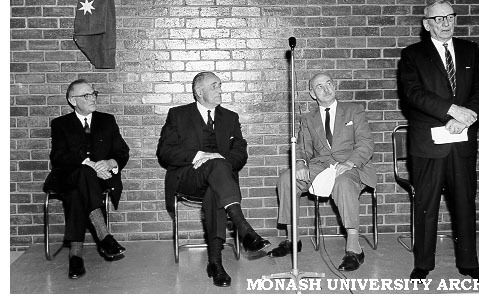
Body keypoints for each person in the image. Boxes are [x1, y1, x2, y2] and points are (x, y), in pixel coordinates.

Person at [398, 0, 479, 281]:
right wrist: (452, 111)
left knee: (464, 202)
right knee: (426, 204)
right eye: (438, 19)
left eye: (450, 17)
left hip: (462, 141)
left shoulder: (470, 50)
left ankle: (469, 263)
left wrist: (466, 116)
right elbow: (413, 94)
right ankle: (423, 264)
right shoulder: (413, 54)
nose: (445, 23)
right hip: (428, 144)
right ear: (427, 25)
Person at [156, 72, 270, 287]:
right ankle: (243, 227)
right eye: (215, 86)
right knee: (217, 169)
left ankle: (215, 264)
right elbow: (165, 151)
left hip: (218, 184)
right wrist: (200, 156)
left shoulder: (230, 117)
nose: (220, 90)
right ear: (199, 92)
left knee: (215, 188)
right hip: (188, 177)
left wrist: (219, 157)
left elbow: (240, 152)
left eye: (220, 85)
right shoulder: (177, 115)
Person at [268, 73, 375, 272]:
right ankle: (292, 239)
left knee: (343, 183)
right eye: (319, 87)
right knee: (287, 179)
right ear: (312, 94)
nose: (326, 89)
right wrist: (300, 163)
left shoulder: (354, 111)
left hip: (351, 165)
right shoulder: (308, 119)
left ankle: (354, 248)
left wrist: (350, 162)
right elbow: (302, 147)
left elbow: (366, 143)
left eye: (329, 84)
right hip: (321, 166)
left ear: (334, 86)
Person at [43, 79, 130, 279]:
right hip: (68, 177)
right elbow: (58, 157)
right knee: (83, 174)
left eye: (93, 94)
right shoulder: (60, 124)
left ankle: (75, 256)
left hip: (98, 180)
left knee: (76, 192)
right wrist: (89, 164)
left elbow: (122, 151)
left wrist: (109, 162)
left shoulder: (107, 120)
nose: (92, 98)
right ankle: (104, 235)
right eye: (86, 95)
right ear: (73, 100)